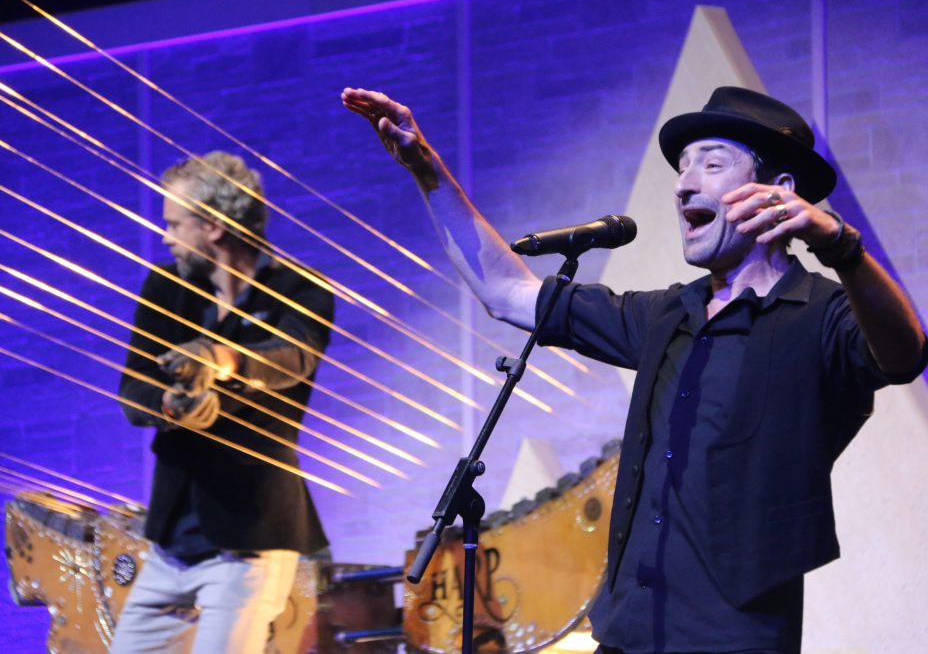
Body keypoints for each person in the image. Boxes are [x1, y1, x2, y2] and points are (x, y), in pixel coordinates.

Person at [342, 85, 927, 654]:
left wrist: (841, 245)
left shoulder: (821, 314)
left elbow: (904, 354)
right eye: (681, 167)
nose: (683, 183)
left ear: (779, 191)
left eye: (711, 164)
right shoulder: (667, 315)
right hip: (625, 635)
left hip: (734, 641)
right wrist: (428, 172)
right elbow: (506, 291)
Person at [112, 151, 332, 653]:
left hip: (250, 538)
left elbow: (291, 360)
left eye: (173, 223)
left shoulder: (301, 290)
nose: (165, 237)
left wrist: (221, 357)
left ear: (212, 226)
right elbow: (132, 391)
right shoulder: (166, 286)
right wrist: (170, 405)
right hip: (171, 542)